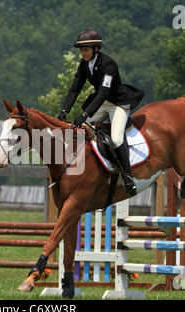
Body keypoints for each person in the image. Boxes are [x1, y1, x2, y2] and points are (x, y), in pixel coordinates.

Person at [58, 30, 144, 195]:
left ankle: (128, 177)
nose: (82, 53)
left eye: (85, 50)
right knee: (78, 127)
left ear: (96, 49)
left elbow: (103, 92)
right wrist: (64, 110)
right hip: (103, 103)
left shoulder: (108, 64)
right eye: (81, 50)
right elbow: (75, 88)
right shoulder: (84, 64)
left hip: (117, 104)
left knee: (117, 137)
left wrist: (85, 115)